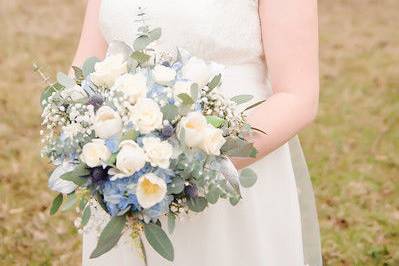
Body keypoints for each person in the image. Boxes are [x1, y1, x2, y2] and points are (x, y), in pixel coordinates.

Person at [72, 0, 322, 265]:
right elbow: (85, 68)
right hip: (121, 172)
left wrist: (187, 169)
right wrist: (85, 138)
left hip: (231, 174)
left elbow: (297, 97)